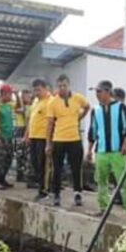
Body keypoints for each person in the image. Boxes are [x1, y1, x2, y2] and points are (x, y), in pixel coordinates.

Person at [86, 80, 126, 217]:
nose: (97, 94)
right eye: (96, 92)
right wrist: (89, 150)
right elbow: (93, 131)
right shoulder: (95, 110)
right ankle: (103, 207)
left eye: (99, 91)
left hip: (117, 151)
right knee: (101, 180)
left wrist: (125, 144)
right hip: (101, 151)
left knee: (124, 180)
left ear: (108, 92)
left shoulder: (121, 108)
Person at [46, 74, 90, 207]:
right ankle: (56, 195)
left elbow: (87, 107)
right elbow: (49, 124)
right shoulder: (52, 102)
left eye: (64, 85)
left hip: (74, 138)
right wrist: (48, 143)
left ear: (68, 85)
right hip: (59, 138)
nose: (62, 88)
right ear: (57, 87)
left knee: (76, 168)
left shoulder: (78, 98)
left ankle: (77, 193)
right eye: (59, 86)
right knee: (57, 168)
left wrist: (79, 118)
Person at [26, 79, 52, 202]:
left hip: (43, 138)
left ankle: (44, 190)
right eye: (35, 90)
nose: (36, 92)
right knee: (35, 163)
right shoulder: (36, 102)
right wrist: (27, 134)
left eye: (39, 90)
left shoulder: (50, 101)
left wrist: (49, 141)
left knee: (43, 165)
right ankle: (41, 186)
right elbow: (31, 119)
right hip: (34, 136)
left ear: (45, 88)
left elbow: (51, 122)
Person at [0, 84, 16, 189]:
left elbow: (20, 107)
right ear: (4, 94)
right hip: (1, 136)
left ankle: (4, 179)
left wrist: (17, 94)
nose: (11, 96)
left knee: (9, 158)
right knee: (0, 159)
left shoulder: (9, 105)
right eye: (10, 94)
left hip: (9, 136)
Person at [14, 89, 33, 184]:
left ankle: (23, 173)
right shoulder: (21, 107)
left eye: (29, 96)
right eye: (26, 96)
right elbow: (23, 113)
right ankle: (20, 174)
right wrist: (17, 95)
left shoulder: (31, 107)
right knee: (20, 152)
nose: (28, 98)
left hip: (27, 129)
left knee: (26, 153)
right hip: (21, 129)